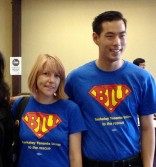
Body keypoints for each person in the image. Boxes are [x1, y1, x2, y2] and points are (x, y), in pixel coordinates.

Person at [65, 11, 156, 167]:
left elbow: (147, 128)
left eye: (122, 35)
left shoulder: (143, 78)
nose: (117, 42)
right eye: (110, 36)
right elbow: (70, 128)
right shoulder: (76, 79)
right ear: (96, 38)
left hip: (131, 162)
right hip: (91, 163)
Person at [11, 54, 86, 167]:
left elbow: (75, 157)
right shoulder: (20, 105)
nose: (51, 80)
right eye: (46, 74)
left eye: (56, 76)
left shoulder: (71, 109)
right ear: (35, 76)